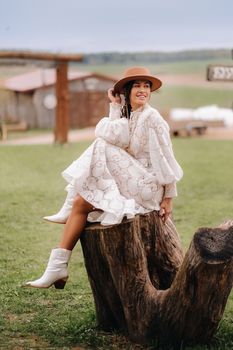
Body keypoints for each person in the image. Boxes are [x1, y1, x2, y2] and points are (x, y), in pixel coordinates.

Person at [25, 66, 183, 289]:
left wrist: (169, 197)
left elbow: (167, 160)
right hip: (132, 179)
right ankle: (58, 267)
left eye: (146, 86)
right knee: (82, 203)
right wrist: (116, 106)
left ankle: (68, 203)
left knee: (101, 145)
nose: (142, 90)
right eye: (136, 85)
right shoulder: (130, 116)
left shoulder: (153, 118)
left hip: (149, 186)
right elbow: (115, 135)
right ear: (126, 92)